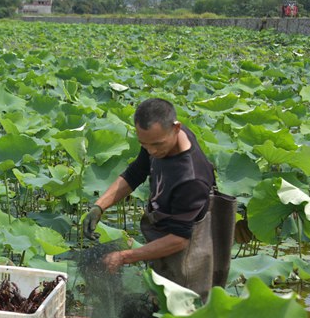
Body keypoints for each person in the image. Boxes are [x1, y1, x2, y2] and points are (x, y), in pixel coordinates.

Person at [84, 98, 217, 299]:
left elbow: (179, 240)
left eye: (157, 145)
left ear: (176, 128)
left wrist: (123, 256)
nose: (152, 151)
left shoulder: (191, 178)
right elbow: (136, 172)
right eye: (144, 144)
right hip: (164, 234)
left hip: (186, 258)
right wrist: (99, 206)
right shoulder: (156, 138)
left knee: (181, 312)